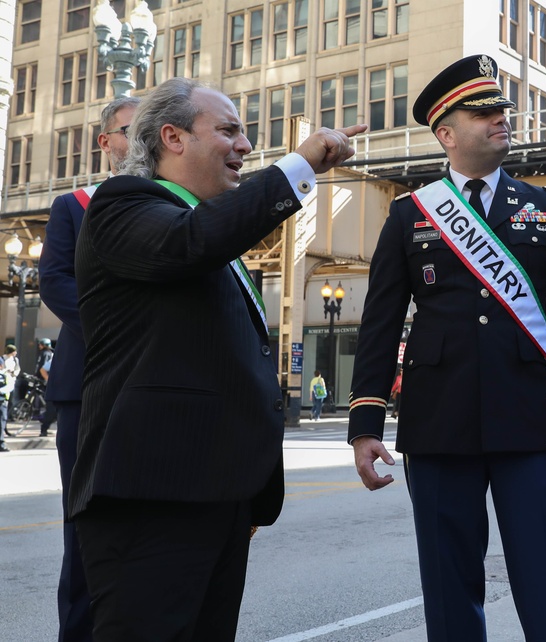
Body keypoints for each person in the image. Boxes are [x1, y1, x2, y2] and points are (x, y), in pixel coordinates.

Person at [69, 77, 366, 642]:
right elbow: (191, 243)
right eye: (228, 130)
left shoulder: (209, 229)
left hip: (215, 496)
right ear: (172, 137)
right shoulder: (123, 205)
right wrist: (297, 168)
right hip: (153, 497)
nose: (245, 145)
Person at [348, 54, 546, 641]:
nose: (501, 120)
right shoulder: (410, 215)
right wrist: (366, 425)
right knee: (448, 582)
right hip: (438, 423)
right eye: (483, 112)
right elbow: (381, 323)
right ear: (446, 133)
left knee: (545, 577)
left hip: (532, 424)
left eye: (502, 111)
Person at [39, 94, 139, 642]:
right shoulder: (73, 205)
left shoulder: (178, 203)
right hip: (90, 387)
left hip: (155, 389)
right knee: (85, 527)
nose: (142, 138)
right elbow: (55, 281)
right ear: (106, 142)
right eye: (130, 129)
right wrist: (122, 329)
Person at [35, 338, 56, 437]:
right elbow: (43, 369)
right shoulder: (53, 356)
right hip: (53, 386)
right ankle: (44, 428)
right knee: (51, 410)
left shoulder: (47, 354)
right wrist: (49, 380)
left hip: (56, 386)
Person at [2, 345, 18, 428]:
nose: (15, 353)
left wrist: (14, 373)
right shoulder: (2, 358)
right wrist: (6, 370)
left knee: (12, 399)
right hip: (4, 382)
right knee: (4, 399)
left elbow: (18, 369)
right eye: (14, 351)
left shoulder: (15, 359)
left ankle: (9, 415)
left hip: (12, 381)